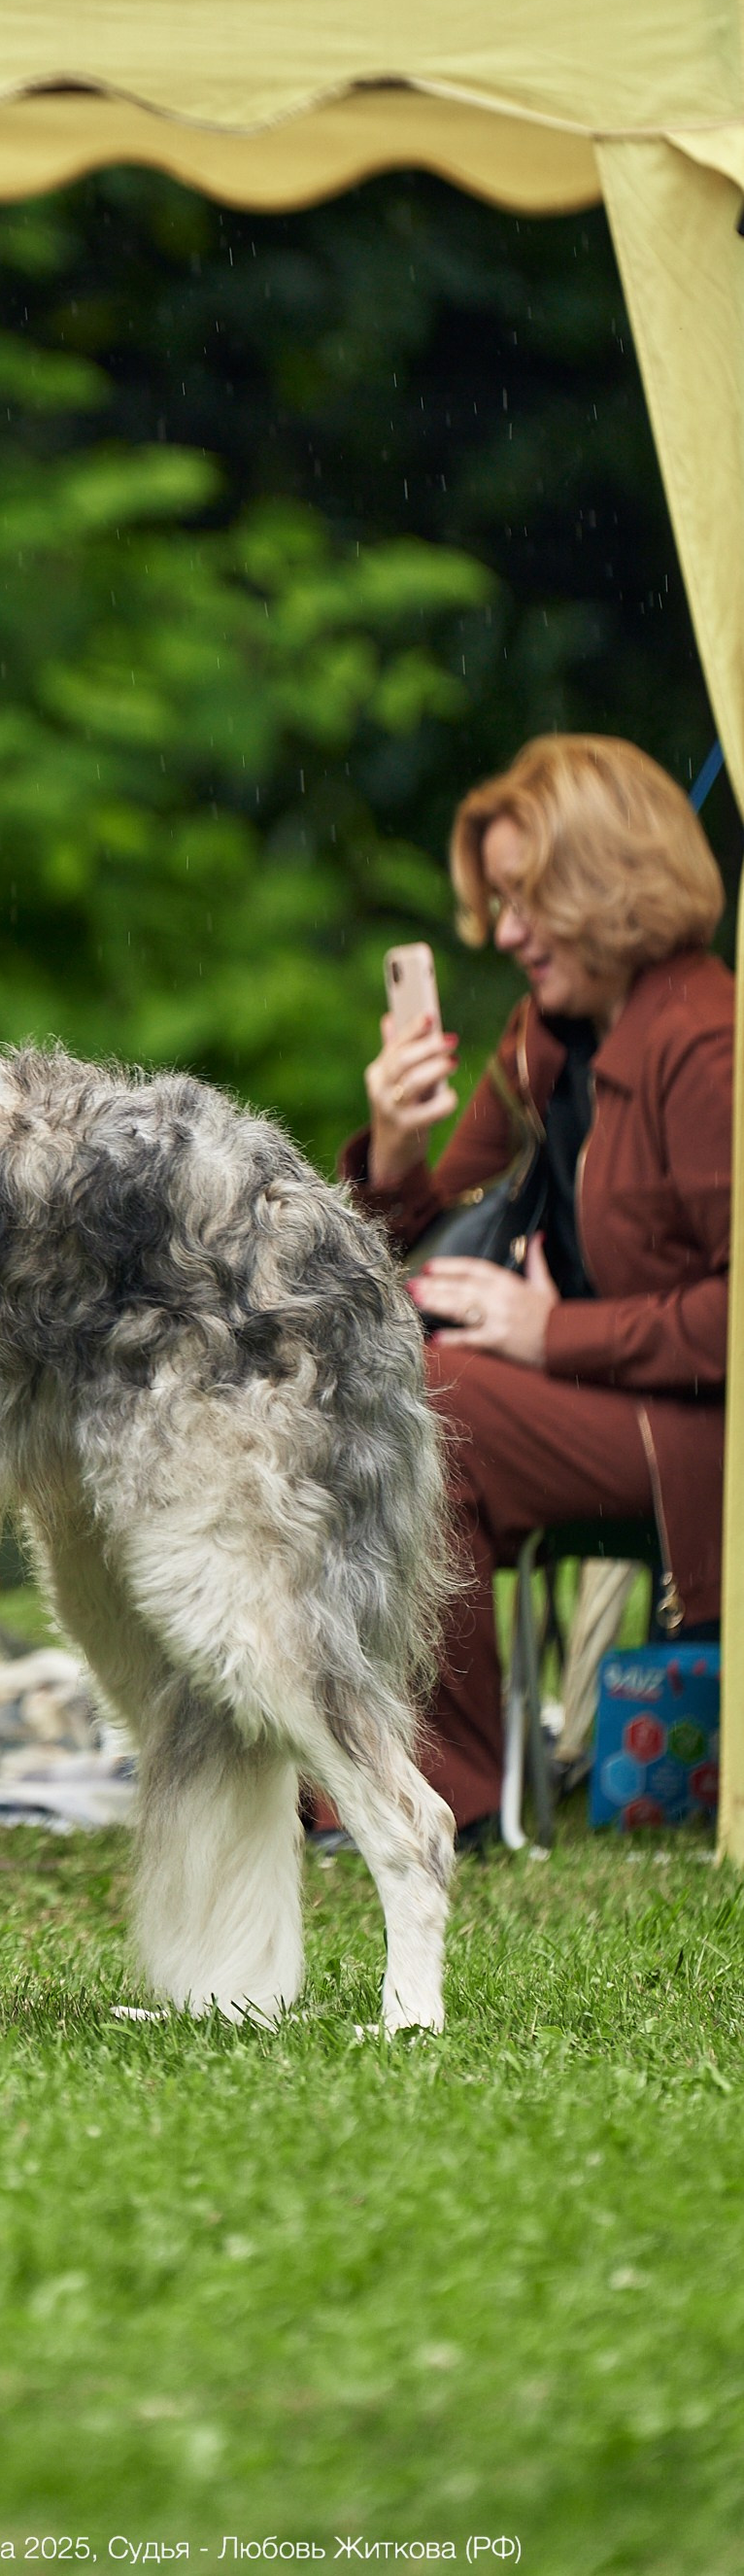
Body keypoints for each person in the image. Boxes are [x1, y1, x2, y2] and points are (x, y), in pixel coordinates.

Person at [346, 734, 730, 1848]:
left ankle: (443, 1794)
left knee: (436, 1400)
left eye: (526, 898)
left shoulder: (706, 1040)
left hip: (703, 1435)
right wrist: (392, 1144)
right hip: (605, 1399)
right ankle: (375, 1771)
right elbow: (386, 1250)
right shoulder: (544, 1034)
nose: (502, 931)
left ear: (612, 882)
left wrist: (552, 1330)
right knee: (383, 1374)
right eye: (498, 900)